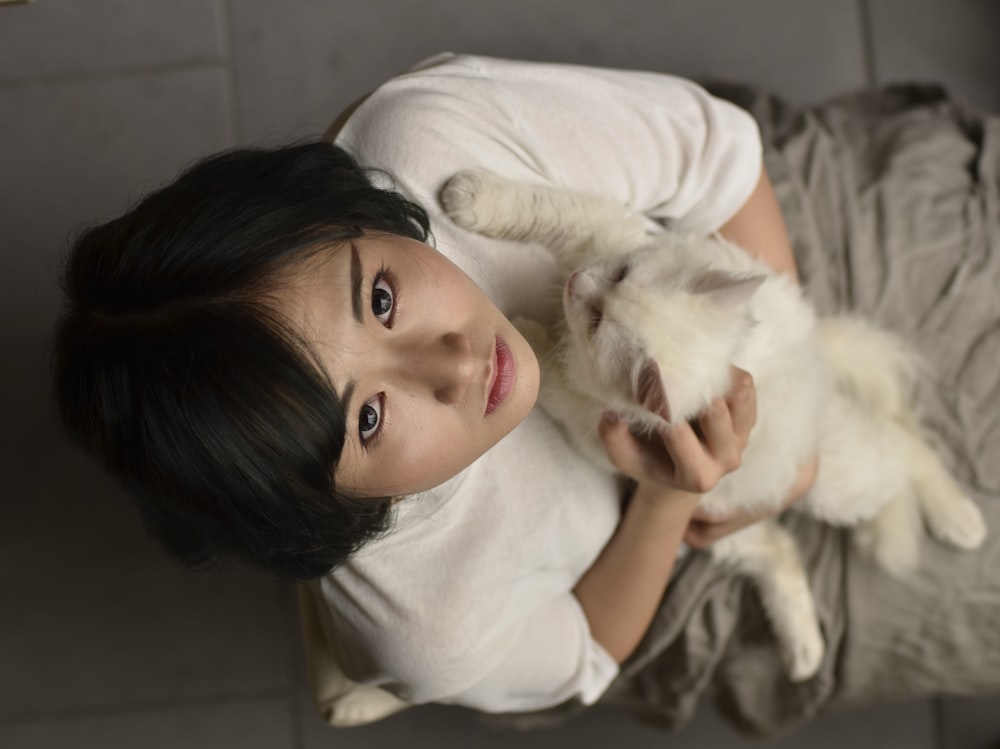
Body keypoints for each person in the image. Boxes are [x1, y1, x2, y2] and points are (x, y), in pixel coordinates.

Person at [50, 53, 1000, 737]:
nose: (459, 365)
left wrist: (776, 357)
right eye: (370, 418)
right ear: (332, 504)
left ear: (356, 209)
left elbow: (719, 156)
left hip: (722, 268)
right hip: (660, 541)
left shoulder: (423, 139)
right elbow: (589, 647)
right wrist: (671, 497)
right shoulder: (426, 622)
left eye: (381, 294)